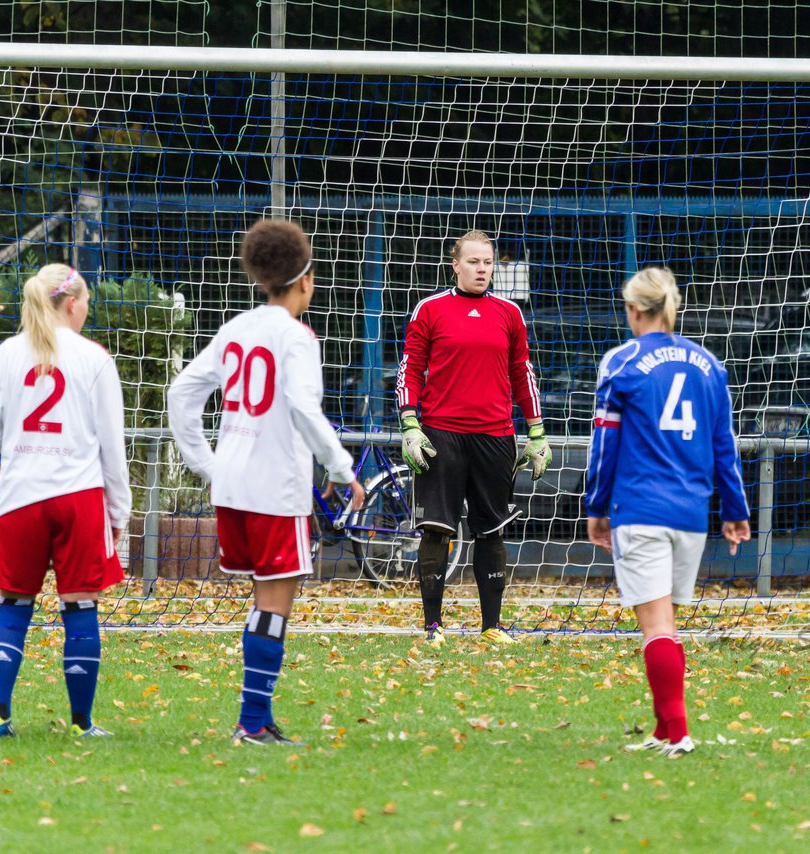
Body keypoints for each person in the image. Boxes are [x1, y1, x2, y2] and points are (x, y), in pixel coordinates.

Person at [168, 218, 364, 746]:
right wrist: (342, 469)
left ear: (260, 278)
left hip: (232, 486)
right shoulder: (296, 338)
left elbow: (182, 394)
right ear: (307, 279)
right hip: (275, 486)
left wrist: (208, 463)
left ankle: (256, 717)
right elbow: (302, 406)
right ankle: (252, 722)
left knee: (262, 600)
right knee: (275, 603)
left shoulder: (237, 328)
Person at [584, 267, 751, 758]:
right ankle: (664, 729)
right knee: (668, 627)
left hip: (640, 508)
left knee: (657, 629)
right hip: (690, 513)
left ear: (635, 309)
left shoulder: (622, 362)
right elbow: (724, 444)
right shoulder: (708, 364)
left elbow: (604, 443)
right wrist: (735, 509)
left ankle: (677, 733)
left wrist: (597, 505)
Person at [0, 263, 131, 738]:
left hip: (20, 496)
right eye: (86, 302)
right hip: (77, 496)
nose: (88, 309)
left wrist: (19, 444)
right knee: (80, 607)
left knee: (14, 603)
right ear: (72, 303)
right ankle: (82, 724)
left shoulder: (4, 355)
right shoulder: (95, 358)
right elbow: (112, 447)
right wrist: (117, 512)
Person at [395, 230, 549, 647]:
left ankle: (492, 627)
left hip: (496, 436)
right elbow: (409, 369)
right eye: (474, 262)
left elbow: (523, 373)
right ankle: (433, 626)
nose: (483, 269)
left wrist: (536, 432)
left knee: (491, 531)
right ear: (455, 265)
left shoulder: (509, 313)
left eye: (488, 262)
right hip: (441, 436)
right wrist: (410, 424)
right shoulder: (430, 309)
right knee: (436, 530)